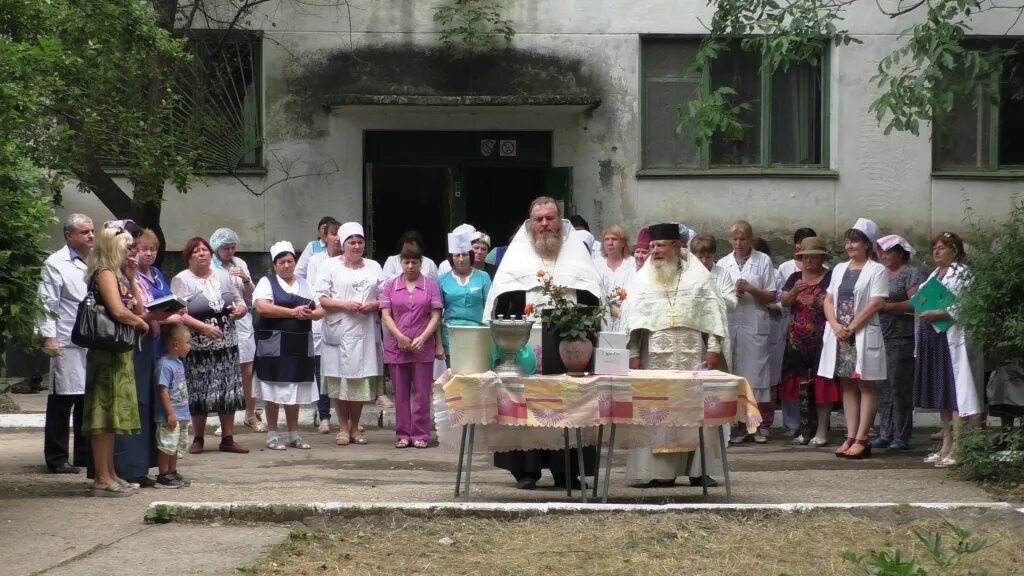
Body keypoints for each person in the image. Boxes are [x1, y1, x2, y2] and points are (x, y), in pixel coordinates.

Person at [483, 196, 604, 490]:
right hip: (527, 348)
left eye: (550, 218)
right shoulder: (517, 255)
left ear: (560, 222)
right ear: (530, 224)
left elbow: (592, 298)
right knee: (527, 408)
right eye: (539, 220)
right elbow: (501, 301)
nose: (545, 225)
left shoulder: (577, 254)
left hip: (569, 347)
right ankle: (527, 470)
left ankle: (567, 470)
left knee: (570, 405)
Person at [620, 223, 731, 488]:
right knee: (656, 409)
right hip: (652, 358)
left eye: (661, 246)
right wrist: (633, 354)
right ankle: (657, 472)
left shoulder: (700, 278)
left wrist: (714, 350)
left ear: (677, 247)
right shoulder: (642, 280)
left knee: (696, 411)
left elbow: (715, 315)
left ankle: (698, 470)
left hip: (694, 357)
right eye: (652, 247)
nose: (655, 251)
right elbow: (632, 320)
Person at [83, 223, 149, 496]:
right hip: (106, 354)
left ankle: (110, 474)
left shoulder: (120, 275)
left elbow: (140, 309)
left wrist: (132, 278)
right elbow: (119, 311)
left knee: (112, 419)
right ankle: (101, 477)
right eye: (126, 247)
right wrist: (139, 324)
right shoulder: (104, 273)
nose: (130, 252)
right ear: (113, 247)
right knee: (102, 415)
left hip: (119, 352)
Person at [114, 225, 180, 488]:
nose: (138, 255)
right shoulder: (110, 275)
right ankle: (129, 468)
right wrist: (152, 317)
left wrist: (132, 280)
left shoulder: (136, 275)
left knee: (146, 406)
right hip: (131, 345)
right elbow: (125, 313)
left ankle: (143, 466)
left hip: (149, 343)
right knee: (135, 405)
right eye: (134, 249)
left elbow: (141, 308)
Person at [818, 218, 888, 460]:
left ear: (867, 245)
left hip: (860, 334)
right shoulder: (839, 269)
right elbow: (828, 300)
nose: (850, 245)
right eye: (848, 241)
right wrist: (836, 325)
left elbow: (877, 302)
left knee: (865, 383)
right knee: (847, 383)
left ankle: (862, 437)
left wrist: (852, 327)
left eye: (855, 241)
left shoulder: (876, 270)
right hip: (840, 335)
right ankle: (850, 435)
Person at [171, 237, 249, 455]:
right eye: (196, 251)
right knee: (198, 389)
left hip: (226, 341)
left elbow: (240, 301)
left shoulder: (225, 277)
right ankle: (198, 438)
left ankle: (228, 437)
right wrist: (203, 328)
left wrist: (240, 311)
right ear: (188, 257)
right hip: (198, 344)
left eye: (205, 250)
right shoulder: (182, 280)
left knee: (228, 388)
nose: (202, 254)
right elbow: (178, 313)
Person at [915, 232, 981, 468]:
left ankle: (960, 446)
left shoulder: (963, 274)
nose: (937, 251)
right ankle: (945, 443)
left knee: (956, 394)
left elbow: (965, 306)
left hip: (952, 337)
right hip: (933, 336)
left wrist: (939, 313)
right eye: (935, 247)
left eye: (942, 248)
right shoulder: (934, 275)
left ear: (955, 250)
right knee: (942, 393)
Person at [315, 222, 384, 446]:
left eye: (360, 242)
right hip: (339, 330)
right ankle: (342, 427)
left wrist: (373, 305)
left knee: (360, 381)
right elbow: (322, 298)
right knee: (339, 380)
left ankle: (355, 427)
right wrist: (345, 305)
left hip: (364, 330)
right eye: (351, 242)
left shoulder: (374, 266)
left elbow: (385, 297)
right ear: (343, 245)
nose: (356, 246)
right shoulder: (329, 266)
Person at [253, 241, 325, 450]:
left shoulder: (305, 284)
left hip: (299, 344)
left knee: (295, 389)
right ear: (275, 264)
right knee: (273, 388)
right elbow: (262, 307)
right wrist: (293, 312)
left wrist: (312, 313)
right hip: (273, 345)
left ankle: (294, 434)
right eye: (282, 262)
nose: (286, 265)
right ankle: (273, 434)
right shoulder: (267, 283)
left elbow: (321, 308)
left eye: (290, 261)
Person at [38, 213, 94, 474]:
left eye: (92, 231)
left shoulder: (95, 261)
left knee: (87, 399)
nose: (91, 236)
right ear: (69, 235)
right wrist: (48, 336)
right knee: (63, 399)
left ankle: (84, 454)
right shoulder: (55, 263)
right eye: (84, 232)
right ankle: (57, 457)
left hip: (92, 339)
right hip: (66, 339)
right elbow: (47, 302)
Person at [381, 244, 445, 449]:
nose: (410, 266)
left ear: (421, 263)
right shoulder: (391, 285)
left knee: (421, 393)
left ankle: (420, 434)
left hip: (422, 347)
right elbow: (385, 314)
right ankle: (402, 434)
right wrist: (399, 336)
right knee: (400, 394)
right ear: (400, 262)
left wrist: (424, 338)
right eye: (406, 262)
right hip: (396, 346)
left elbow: (436, 315)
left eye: (414, 262)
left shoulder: (430, 285)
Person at [718, 220, 777, 443]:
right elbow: (719, 294)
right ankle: (741, 425)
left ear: (750, 239)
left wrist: (751, 289)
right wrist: (734, 293)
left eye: (743, 239)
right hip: (733, 322)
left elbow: (772, 295)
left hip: (754, 323)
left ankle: (757, 424)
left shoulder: (763, 260)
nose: (739, 243)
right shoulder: (723, 263)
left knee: (756, 375)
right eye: (735, 239)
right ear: (730, 240)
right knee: (736, 372)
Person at [779, 237, 838, 446]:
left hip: (822, 339)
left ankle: (822, 430)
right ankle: (804, 428)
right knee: (800, 384)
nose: (809, 261)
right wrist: (795, 291)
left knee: (823, 384)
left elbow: (836, 304)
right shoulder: (795, 277)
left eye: (814, 257)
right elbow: (784, 302)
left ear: (822, 258)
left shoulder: (830, 278)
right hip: (796, 340)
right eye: (805, 257)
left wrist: (818, 301)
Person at [210, 228, 264, 435]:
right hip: (220, 322)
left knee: (247, 371)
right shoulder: (210, 267)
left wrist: (246, 279)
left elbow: (253, 297)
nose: (230, 251)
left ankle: (250, 415)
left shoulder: (240, 264)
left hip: (243, 323)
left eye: (233, 247)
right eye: (226, 248)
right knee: (223, 370)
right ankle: (225, 418)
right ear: (216, 249)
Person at [874, 234, 924, 450]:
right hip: (879, 335)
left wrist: (888, 307)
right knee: (881, 386)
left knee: (899, 386)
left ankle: (901, 435)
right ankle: (885, 432)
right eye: (882, 252)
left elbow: (917, 302)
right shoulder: (878, 273)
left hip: (901, 337)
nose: (884, 256)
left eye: (889, 252)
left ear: (900, 253)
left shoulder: (911, 273)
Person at [305, 219, 342, 434]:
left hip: (345, 322)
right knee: (322, 370)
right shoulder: (316, 260)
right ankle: (325, 415)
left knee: (346, 370)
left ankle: (347, 417)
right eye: (334, 233)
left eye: (340, 234)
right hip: (321, 320)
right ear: (325, 237)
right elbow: (313, 291)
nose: (337, 238)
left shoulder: (353, 262)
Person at [438, 231, 492, 356]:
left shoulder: (483, 277)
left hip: (477, 332)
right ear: (451, 257)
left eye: (465, 255)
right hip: (450, 334)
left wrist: (488, 335)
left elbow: (489, 308)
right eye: (457, 255)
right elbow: (436, 314)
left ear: (471, 256)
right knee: (454, 373)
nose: (461, 259)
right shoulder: (442, 280)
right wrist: (439, 344)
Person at [155, 324, 192, 488]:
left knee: (176, 445)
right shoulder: (165, 365)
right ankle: (163, 474)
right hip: (169, 415)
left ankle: (172, 471)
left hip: (181, 414)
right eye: (188, 342)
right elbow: (162, 390)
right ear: (176, 345)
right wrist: (170, 413)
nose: (190, 346)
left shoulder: (178, 362)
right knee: (166, 445)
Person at [595, 225, 636, 331]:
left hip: (626, 320)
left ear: (623, 243)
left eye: (614, 239)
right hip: (601, 321)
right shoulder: (596, 265)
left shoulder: (633, 264)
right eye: (606, 239)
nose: (610, 243)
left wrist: (620, 310)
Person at [689, 234, 737, 312]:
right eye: (700, 257)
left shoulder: (723, 274)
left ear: (713, 255)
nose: (704, 261)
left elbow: (732, 305)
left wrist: (712, 297)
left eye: (708, 257)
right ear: (693, 256)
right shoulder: (686, 274)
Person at [296, 216, 339, 280]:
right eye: (324, 228)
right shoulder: (312, 246)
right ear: (318, 231)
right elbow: (299, 271)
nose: (325, 231)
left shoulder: (341, 249)